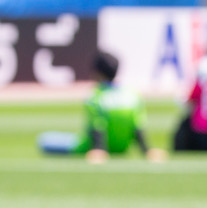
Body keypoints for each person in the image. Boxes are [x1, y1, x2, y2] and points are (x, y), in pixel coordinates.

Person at [37, 50, 166, 163]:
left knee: (44, 140)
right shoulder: (132, 95)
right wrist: (147, 151)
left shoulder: (96, 96)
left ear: (97, 72)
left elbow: (97, 126)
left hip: (92, 148)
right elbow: (137, 127)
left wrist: (99, 150)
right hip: (122, 148)